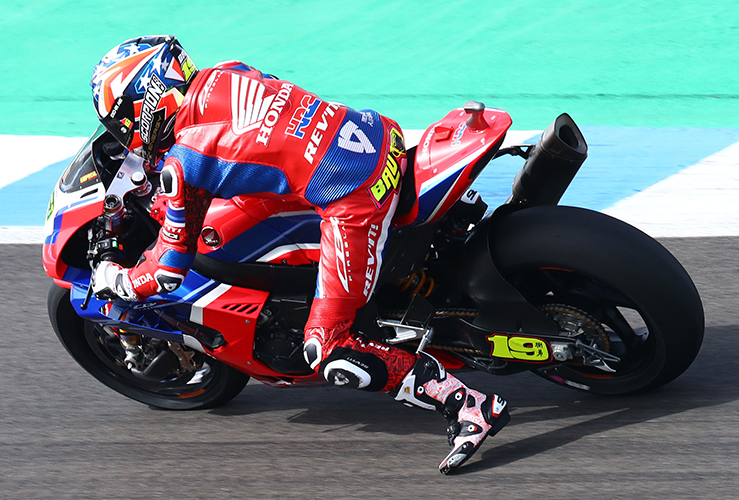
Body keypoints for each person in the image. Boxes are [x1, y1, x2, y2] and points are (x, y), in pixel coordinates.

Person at [90, 35, 509, 474]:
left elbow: (167, 271)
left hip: (354, 196)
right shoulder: (226, 72)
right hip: (376, 135)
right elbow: (268, 137)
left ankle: (469, 407)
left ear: (146, 102)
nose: (125, 134)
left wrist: (114, 280)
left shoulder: (184, 162)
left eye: (122, 122)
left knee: (326, 350)